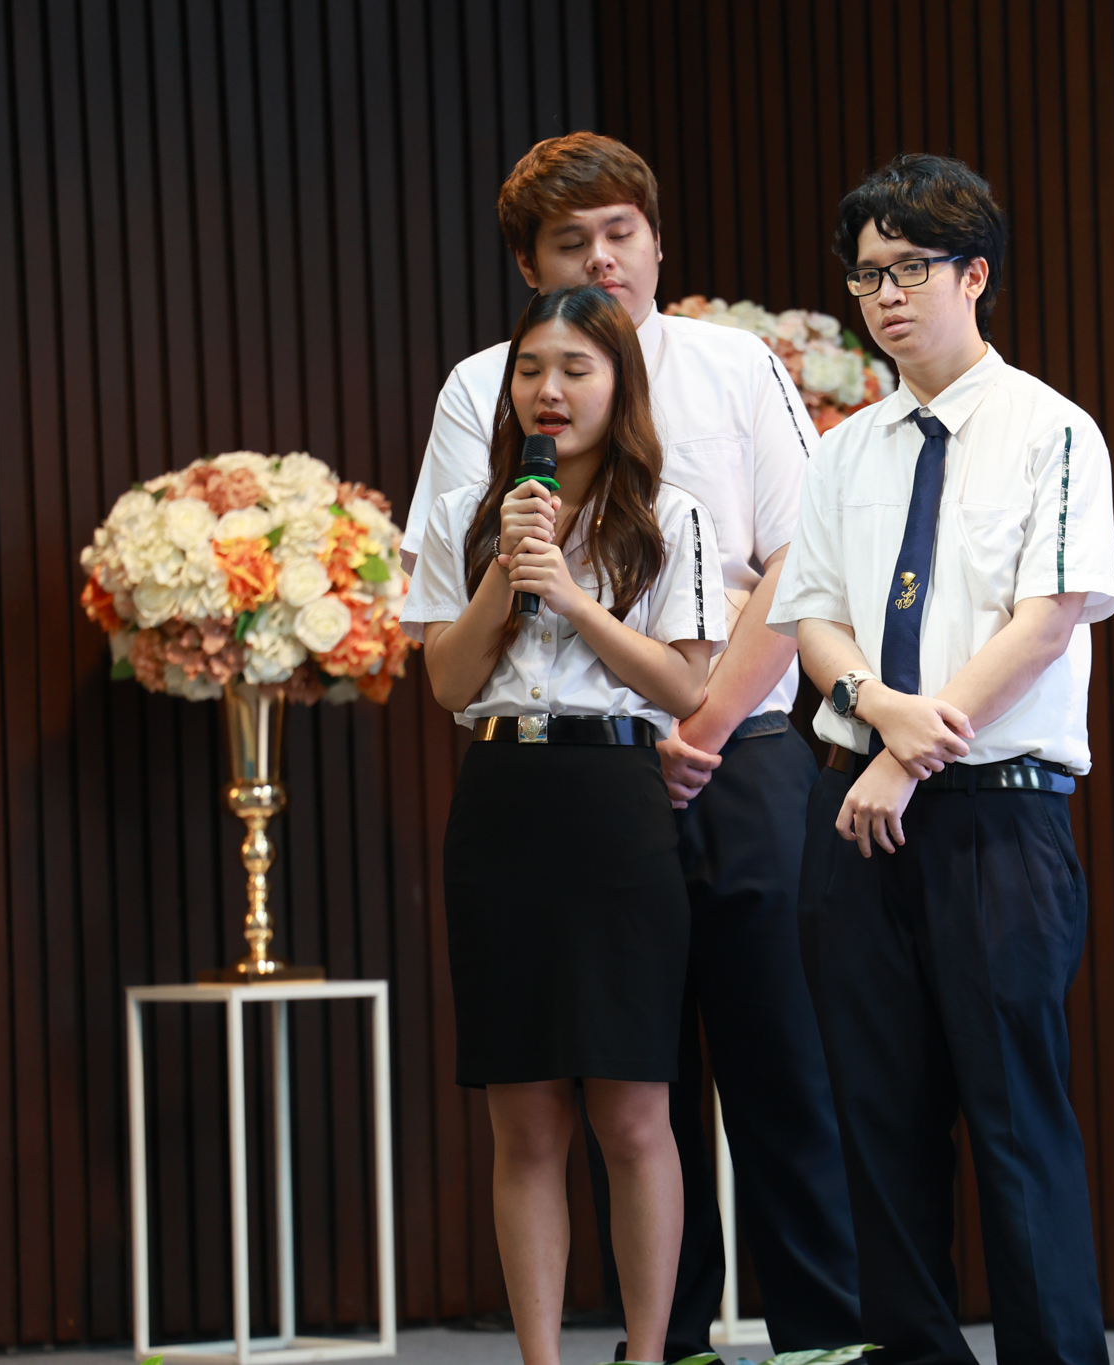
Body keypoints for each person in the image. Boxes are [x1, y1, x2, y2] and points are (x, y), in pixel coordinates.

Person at [404, 133, 860, 1357]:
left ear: (656, 241)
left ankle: (822, 1339)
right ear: (527, 265)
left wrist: (697, 729)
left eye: (621, 233)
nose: (601, 259)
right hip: (575, 774)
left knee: (777, 1063)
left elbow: (795, 560)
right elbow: (458, 593)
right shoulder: (482, 386)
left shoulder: (733, 364)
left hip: (735, 745)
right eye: (570, 243)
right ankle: (665, 1345)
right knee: (628, 1078)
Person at [768, 153, 1114, 1365]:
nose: (884, 296)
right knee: (875, 1126)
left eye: (909, 269)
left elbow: (1047, 617)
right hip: (851, 821)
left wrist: (907, 753)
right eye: (866, 275)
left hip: (995, 822)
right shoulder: (842, 451)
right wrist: (871, 708)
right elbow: (811, 621)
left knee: (1015, 1126)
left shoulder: (1049, 430)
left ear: (974, 275)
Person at [399, 285, 726, 1365]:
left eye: (576, 368)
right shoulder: (467, 512)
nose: (549, 389)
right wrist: (506, 570)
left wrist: (575, 596)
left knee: (632, 1112)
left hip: (616, 803)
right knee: (525, 1117)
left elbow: (684, 688)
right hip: (503, 804)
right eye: (531, 368)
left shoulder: (669, 513)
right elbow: (448, 682)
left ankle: (647, 1353)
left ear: (618, 384)